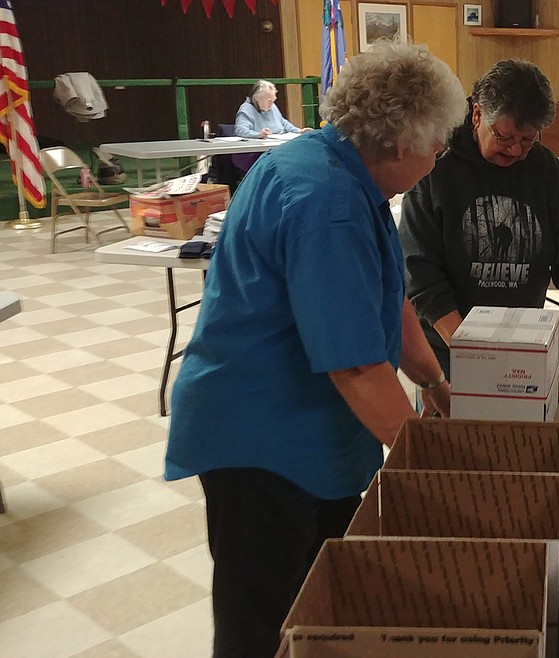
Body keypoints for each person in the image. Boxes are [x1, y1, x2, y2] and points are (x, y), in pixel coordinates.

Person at [164, 43, 466, 658]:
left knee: (322, 608)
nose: (440, 155)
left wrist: (435, 383)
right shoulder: (327, 203)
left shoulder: (343, 170)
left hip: (309, 438)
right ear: (402, 140)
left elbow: (388, 298)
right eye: (439, 142)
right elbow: (354, 363)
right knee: (265, 622)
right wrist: (431, 461)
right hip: (263, 443)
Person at [399, 59, 559, 376]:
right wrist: (471, 351)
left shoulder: (544, 168)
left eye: (527, 140)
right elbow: (420, 273)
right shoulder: (436, 164)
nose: (514, 151)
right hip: (447, 347)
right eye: (504, 137)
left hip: (523, 340)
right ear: (478, 114)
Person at [233, 79, 311, 139]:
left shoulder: (271, 106)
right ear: (257, 99)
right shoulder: (247, 109)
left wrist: (299, 131)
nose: (272, 104)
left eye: (273, 100)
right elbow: (240, 130)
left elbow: (283, 122)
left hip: (278, 142)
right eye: (269, 101)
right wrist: (258, 134)